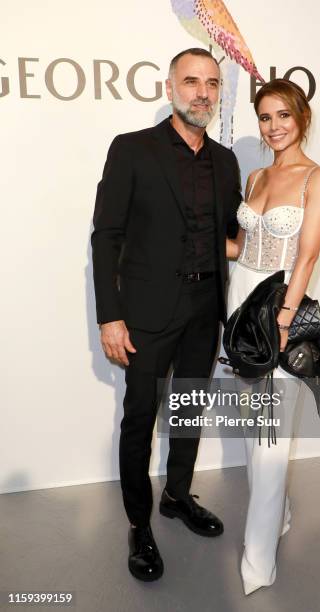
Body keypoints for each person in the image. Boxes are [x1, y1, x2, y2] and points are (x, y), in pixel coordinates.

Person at [91, 47, 241, 582]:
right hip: (147, 315)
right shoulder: (132, 149)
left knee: (188, 412)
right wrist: (111, 317)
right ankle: (139, 523)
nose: (202, 92)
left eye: (212, 84)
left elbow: (231, 235)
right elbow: (106, 235)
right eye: (192, 81)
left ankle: (177, 495)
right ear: (169, 87)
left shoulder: (225, 161)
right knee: (139, 421)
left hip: (205, 313)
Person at [226, 78, 320, 595]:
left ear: (302, 117)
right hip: (239, 304)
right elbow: (242, 248)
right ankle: (280, 512)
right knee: (255, 430)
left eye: (283, 116)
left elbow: (307, 255)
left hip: (278, 307)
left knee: (271, 440)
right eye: (265, 117)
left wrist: (286, 319)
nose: (274, 127)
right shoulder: (255, 177)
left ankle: (258, 560)